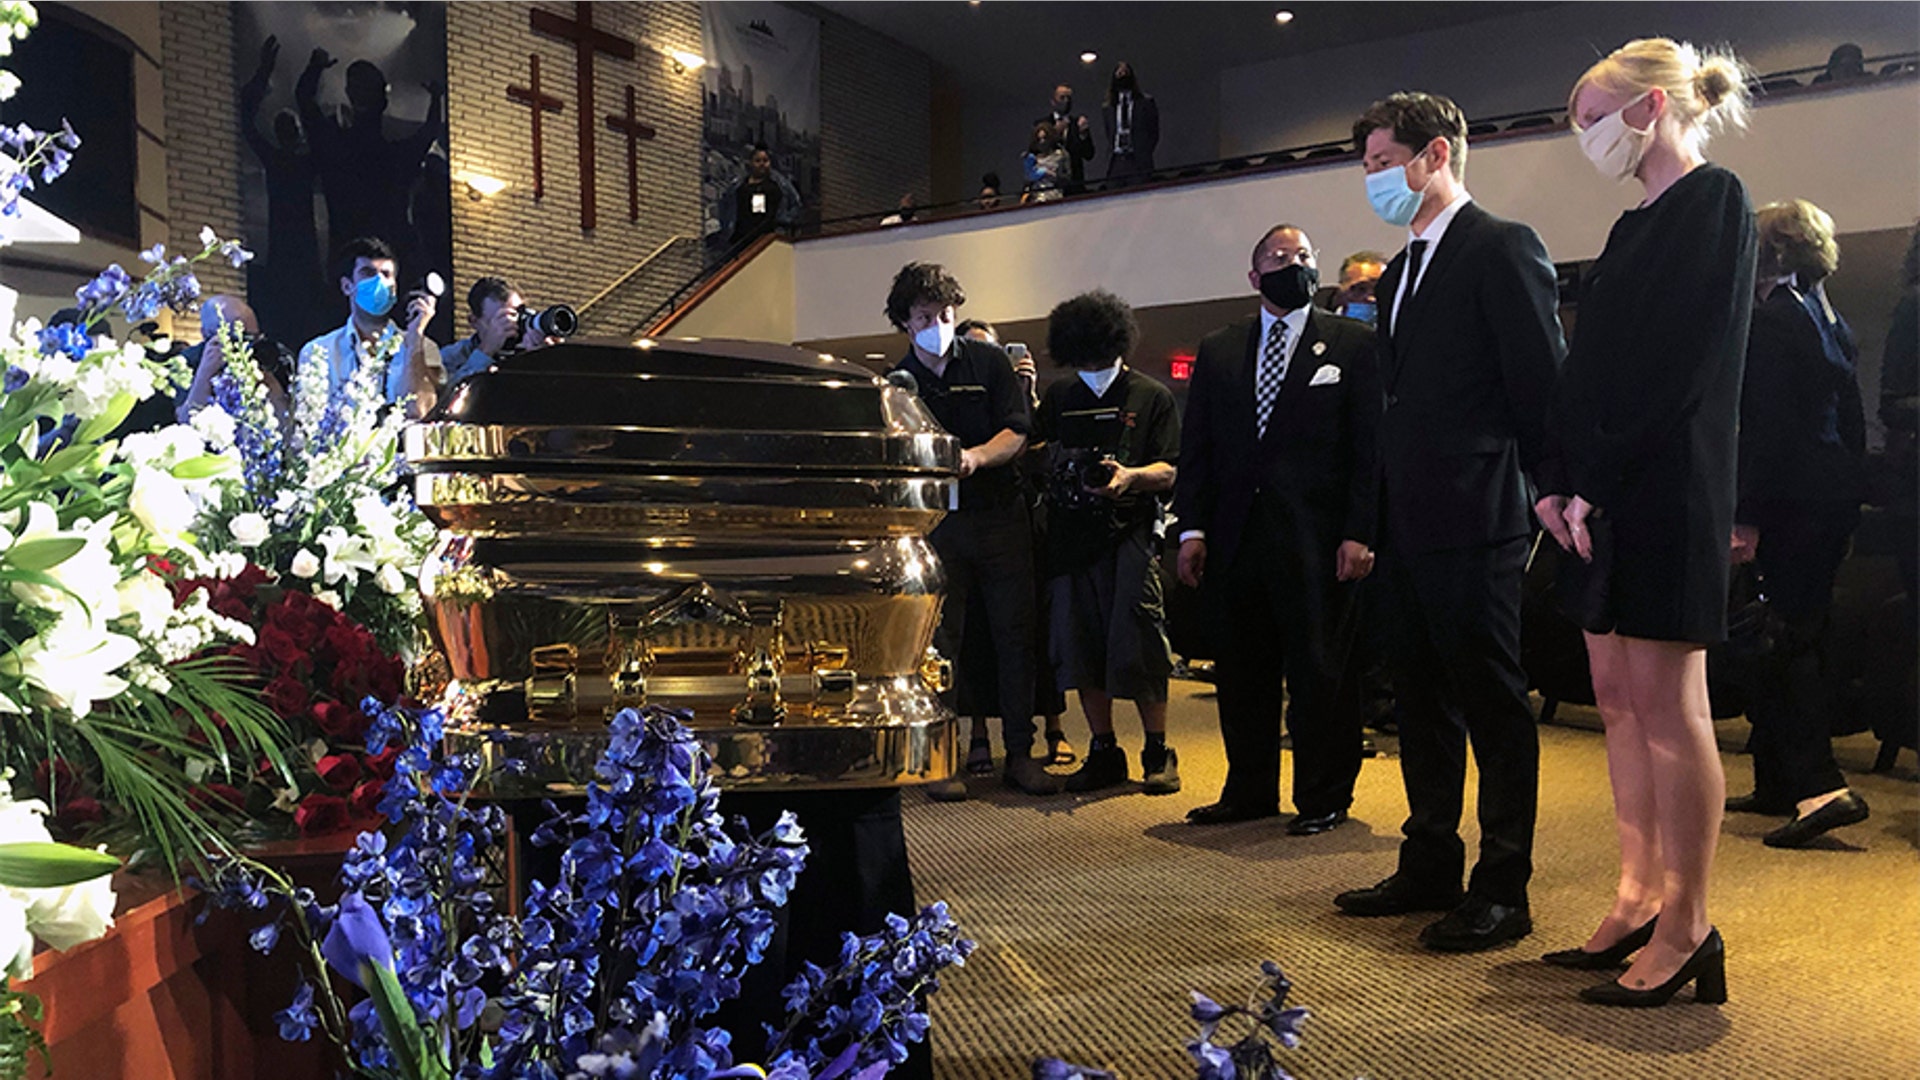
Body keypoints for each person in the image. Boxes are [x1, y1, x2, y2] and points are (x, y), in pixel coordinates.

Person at [1534, 39, 1756, 1007]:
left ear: (1651, 106)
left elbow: (1680, 370)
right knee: (1617, 700)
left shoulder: (1717, 202)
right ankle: (1636, 895)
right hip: (1604, 492)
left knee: (1671, 711)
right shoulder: (1631, 227)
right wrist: (1558, 481)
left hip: (1666, 490)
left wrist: (1601, 482)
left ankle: (1688, 922)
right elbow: (1587, 373)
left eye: (1592, 117)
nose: (1585, 136)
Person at [1332, 92, 1565, 954]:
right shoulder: (1397, 271)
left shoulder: (1502, 246)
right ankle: (1429, 858)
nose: (1373, 180)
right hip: (1405, 521)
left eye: (1383, 163)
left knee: (1492, 704)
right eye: (1366, 167)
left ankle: (1503, 887)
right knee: (1420, 699)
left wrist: (1554, 491)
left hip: (1478, 514)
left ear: (1436, 154)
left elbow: (1541, 383)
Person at [1175, 225, 1380, 831]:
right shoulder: (1220, 348)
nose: (1296, 264)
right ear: (1255, 275)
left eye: (1305, 256)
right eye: (1280, 257)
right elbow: (1199, 448)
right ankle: (1249, 790)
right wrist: (1192, 530)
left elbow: (1369, 449)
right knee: (1242, 670)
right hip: (1237, 537)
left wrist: (1361, 530)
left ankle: (1324, 796)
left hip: (1319, 539)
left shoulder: (1353, 343)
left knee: (1320, 670)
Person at [1726, 198, 1871, 849]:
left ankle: (1820, 787)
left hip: (1787, 502)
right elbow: (1850, 423)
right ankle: (1778, 778)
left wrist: (1746, 515)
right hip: (1827, 498)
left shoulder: (1774, 320)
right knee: (1797, 633)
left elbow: (1768, 430)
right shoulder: (1827, 316)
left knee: (1782, 640)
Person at [887, 264, 1059, 796]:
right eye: (925, 317)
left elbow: (1018, 431)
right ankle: (942, 760)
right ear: (905, 322)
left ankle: (1021, 754)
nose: (938, 325)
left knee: (1015, 635)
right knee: (940, 643)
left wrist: (977, 457)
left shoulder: (988, 362)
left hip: (1000, 516)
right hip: (937, 525)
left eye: (946, 315)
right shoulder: (897, 382)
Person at [1037, 291, 1181, 796]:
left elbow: (1170, 469)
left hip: (1131, 534)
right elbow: (1037, 454)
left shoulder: (1150, 395)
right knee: (1079, 644)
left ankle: (1158, 750)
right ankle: (1103, 750)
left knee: (1140, 641)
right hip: (1070, 537)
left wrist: (1130, 476)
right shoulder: (1060, 397)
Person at [298, 236, 442, 417]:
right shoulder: (319, 351)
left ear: (395, 288)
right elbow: (308, 420)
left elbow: (419, 411)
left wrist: (414, 339)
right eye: (368, 273)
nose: (379, 281)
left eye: (386, 274)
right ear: (347, 286)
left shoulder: (424, 348)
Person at [178, 295, 294, 424]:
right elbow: (184, 423)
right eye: (237, 338)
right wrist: (205, 374)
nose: (245, 345)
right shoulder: (185, 363)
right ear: (206, 334)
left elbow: (287, 426)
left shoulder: (269, 359)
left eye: (254, 337)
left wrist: (268, 381)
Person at [439, 276, 553, 388]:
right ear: (474, 321)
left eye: (515, 315)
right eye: (499, 321)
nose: (511, 325)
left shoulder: (532, 346)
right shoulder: (452, 356)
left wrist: (543, 359)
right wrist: (485, 352)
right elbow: (447, 396)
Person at [1102, 62, 1160, 181]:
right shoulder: (1109, 107)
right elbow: (1109, 132)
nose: (1122, 76)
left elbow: (1154, 131)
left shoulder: (1145, 103)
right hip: (1117, 159)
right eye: (1119, 73)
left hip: (1138, 159)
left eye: (1125, 73)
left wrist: (1144, 151)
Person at [1036, 84, 1096, 194]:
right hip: (1050, 186)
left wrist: (1083, 135)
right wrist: (1054, 133)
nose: (1066, 101)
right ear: (1053, 101)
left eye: (1069, 98)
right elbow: (1036, 152)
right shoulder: (1042, 125)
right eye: (1062, 97)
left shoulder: (1076, 124)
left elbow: (1089, 154)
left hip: (1075, 185)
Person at [729, 144, 785, 246]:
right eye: (758, 161)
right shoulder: (741, 187)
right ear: (751, 163)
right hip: (741, 237)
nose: (762, 164)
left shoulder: (774, 188)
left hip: (764, 238)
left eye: (765, 161)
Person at [1322, 250, 1389, 324]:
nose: (1372, 299)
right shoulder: (1318, 323)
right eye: (1361, 289)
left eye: (1380, 290)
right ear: (1341, 289)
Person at [1022, 123, 1069, 204]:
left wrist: (1052, 175)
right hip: (1036, 198)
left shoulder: (1060, 156)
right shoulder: (1033, 158)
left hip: (1055, 197)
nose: (1042, 142)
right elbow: (1027, 181)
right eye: (1039, 139)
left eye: (1045, 138)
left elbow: (1067, 179)